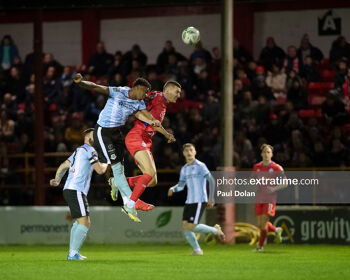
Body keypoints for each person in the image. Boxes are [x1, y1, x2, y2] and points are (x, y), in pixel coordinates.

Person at [72, 73, 160, 222]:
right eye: (144, 91)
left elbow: (149, 118)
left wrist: (158, 126)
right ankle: (131, 203)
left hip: (117, 134)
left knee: (119, 170)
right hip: (103, 132)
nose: (145, 95)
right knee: (117, 169)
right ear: (137, 87)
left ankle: (125, 198)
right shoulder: (119, 92)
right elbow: (97, 87)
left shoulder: (138, 103)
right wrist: (82, 83)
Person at [109, 81, 181, 211]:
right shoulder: (158, 99)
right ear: (168, 90)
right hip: (137, 136)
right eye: (177, 92)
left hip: (145, 140)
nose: (179, 95)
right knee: (149, 173)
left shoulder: (160, 99)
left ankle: (118, 182)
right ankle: (131, 204)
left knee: (152, 181)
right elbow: (150, 119)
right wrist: (167, 134)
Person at [49, 128, 108, 260]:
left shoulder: (78, 151)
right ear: (89, 139)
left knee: (79, 222)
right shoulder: (90, 150)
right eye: (95, 137)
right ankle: (73, 253)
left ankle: (73, 252)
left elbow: (64, 165)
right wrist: (106, 163)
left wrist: (57, 179)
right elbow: (99, 170)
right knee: (84, 222)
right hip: (76, 189)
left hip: (69, 189)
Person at [168, 143, 225, 256]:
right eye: (186, 150)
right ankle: (197, 250)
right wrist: (173, 188)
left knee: (191, 226)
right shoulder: (184, 169)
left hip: (199, 200)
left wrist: (211, 197)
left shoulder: (200, 165)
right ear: (183, 153)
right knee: (185, 227)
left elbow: (211, 180)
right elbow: (181, 185)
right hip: (189, 201)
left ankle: (215, 231)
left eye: (191, 150)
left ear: (195, 152)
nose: (189, 152)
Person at [253, 144, 286, 252]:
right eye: (265, 152)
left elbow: (285, 182)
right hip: (259, 197)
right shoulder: (257, 167)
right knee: (259, 225)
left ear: (272, 154)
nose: (266, 154)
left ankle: (260, 246)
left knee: (263, 225)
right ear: (261, 154)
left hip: (270, 198)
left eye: (268, 152)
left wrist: (274, 189)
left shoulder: (276, 167)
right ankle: (276, 230)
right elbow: (253, 180)